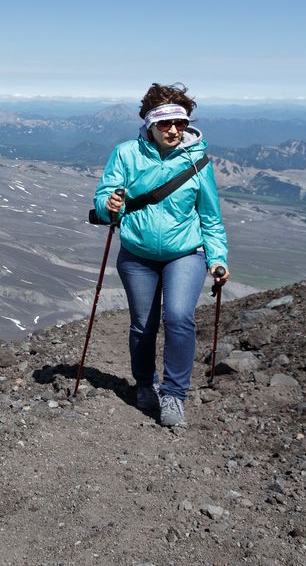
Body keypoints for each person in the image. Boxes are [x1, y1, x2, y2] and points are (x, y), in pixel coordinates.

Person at [92, 83, 230, 427]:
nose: (173, 130)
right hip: (137, 254)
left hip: (186, 252)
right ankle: (144, 382)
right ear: (150, 124)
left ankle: (174, 395)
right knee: (143, 325)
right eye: (165, 124)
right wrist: (108, 206)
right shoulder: (126, 154)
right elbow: (105, 196)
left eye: (180, 123)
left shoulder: (197, 161)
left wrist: (218, 258)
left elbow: (210, 216)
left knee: (179, 317)